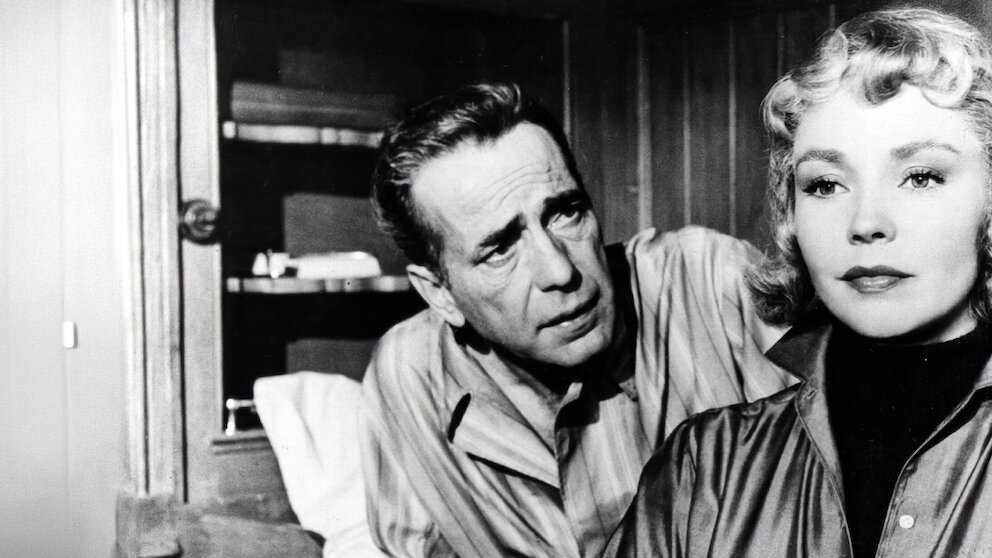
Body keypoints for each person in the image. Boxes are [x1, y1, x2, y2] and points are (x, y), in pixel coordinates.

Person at [606, 8, 992, 557]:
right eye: (826, 185)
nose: (865, 222)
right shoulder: (706, 469)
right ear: (791, 214)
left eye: (921, 176)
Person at [359, 82, 795, 557]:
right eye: (500, 249)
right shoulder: (410, 377)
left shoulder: (711, 284)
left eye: (566, 212)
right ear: (439, 292)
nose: (560, 272)